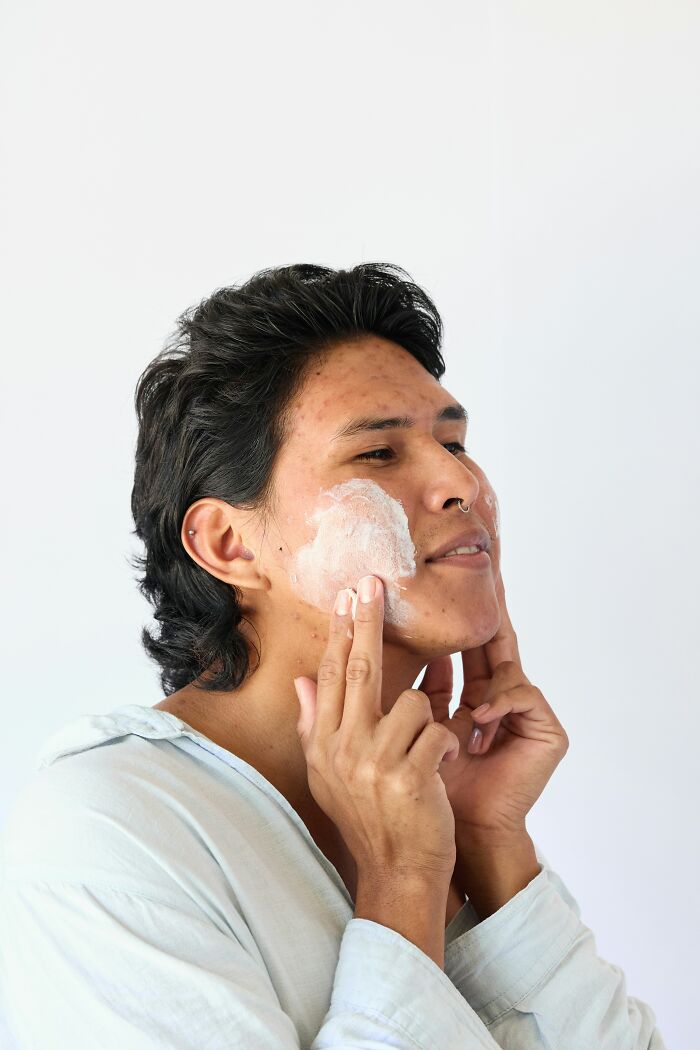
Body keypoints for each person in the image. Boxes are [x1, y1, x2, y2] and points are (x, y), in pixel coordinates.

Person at [0, 263, 666, 1047]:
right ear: (229, 544)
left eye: (455, 441)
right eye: (378, 454)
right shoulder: (106, 832)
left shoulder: (436, 807)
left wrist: (491, 847)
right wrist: (402, 883)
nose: (461, 483)